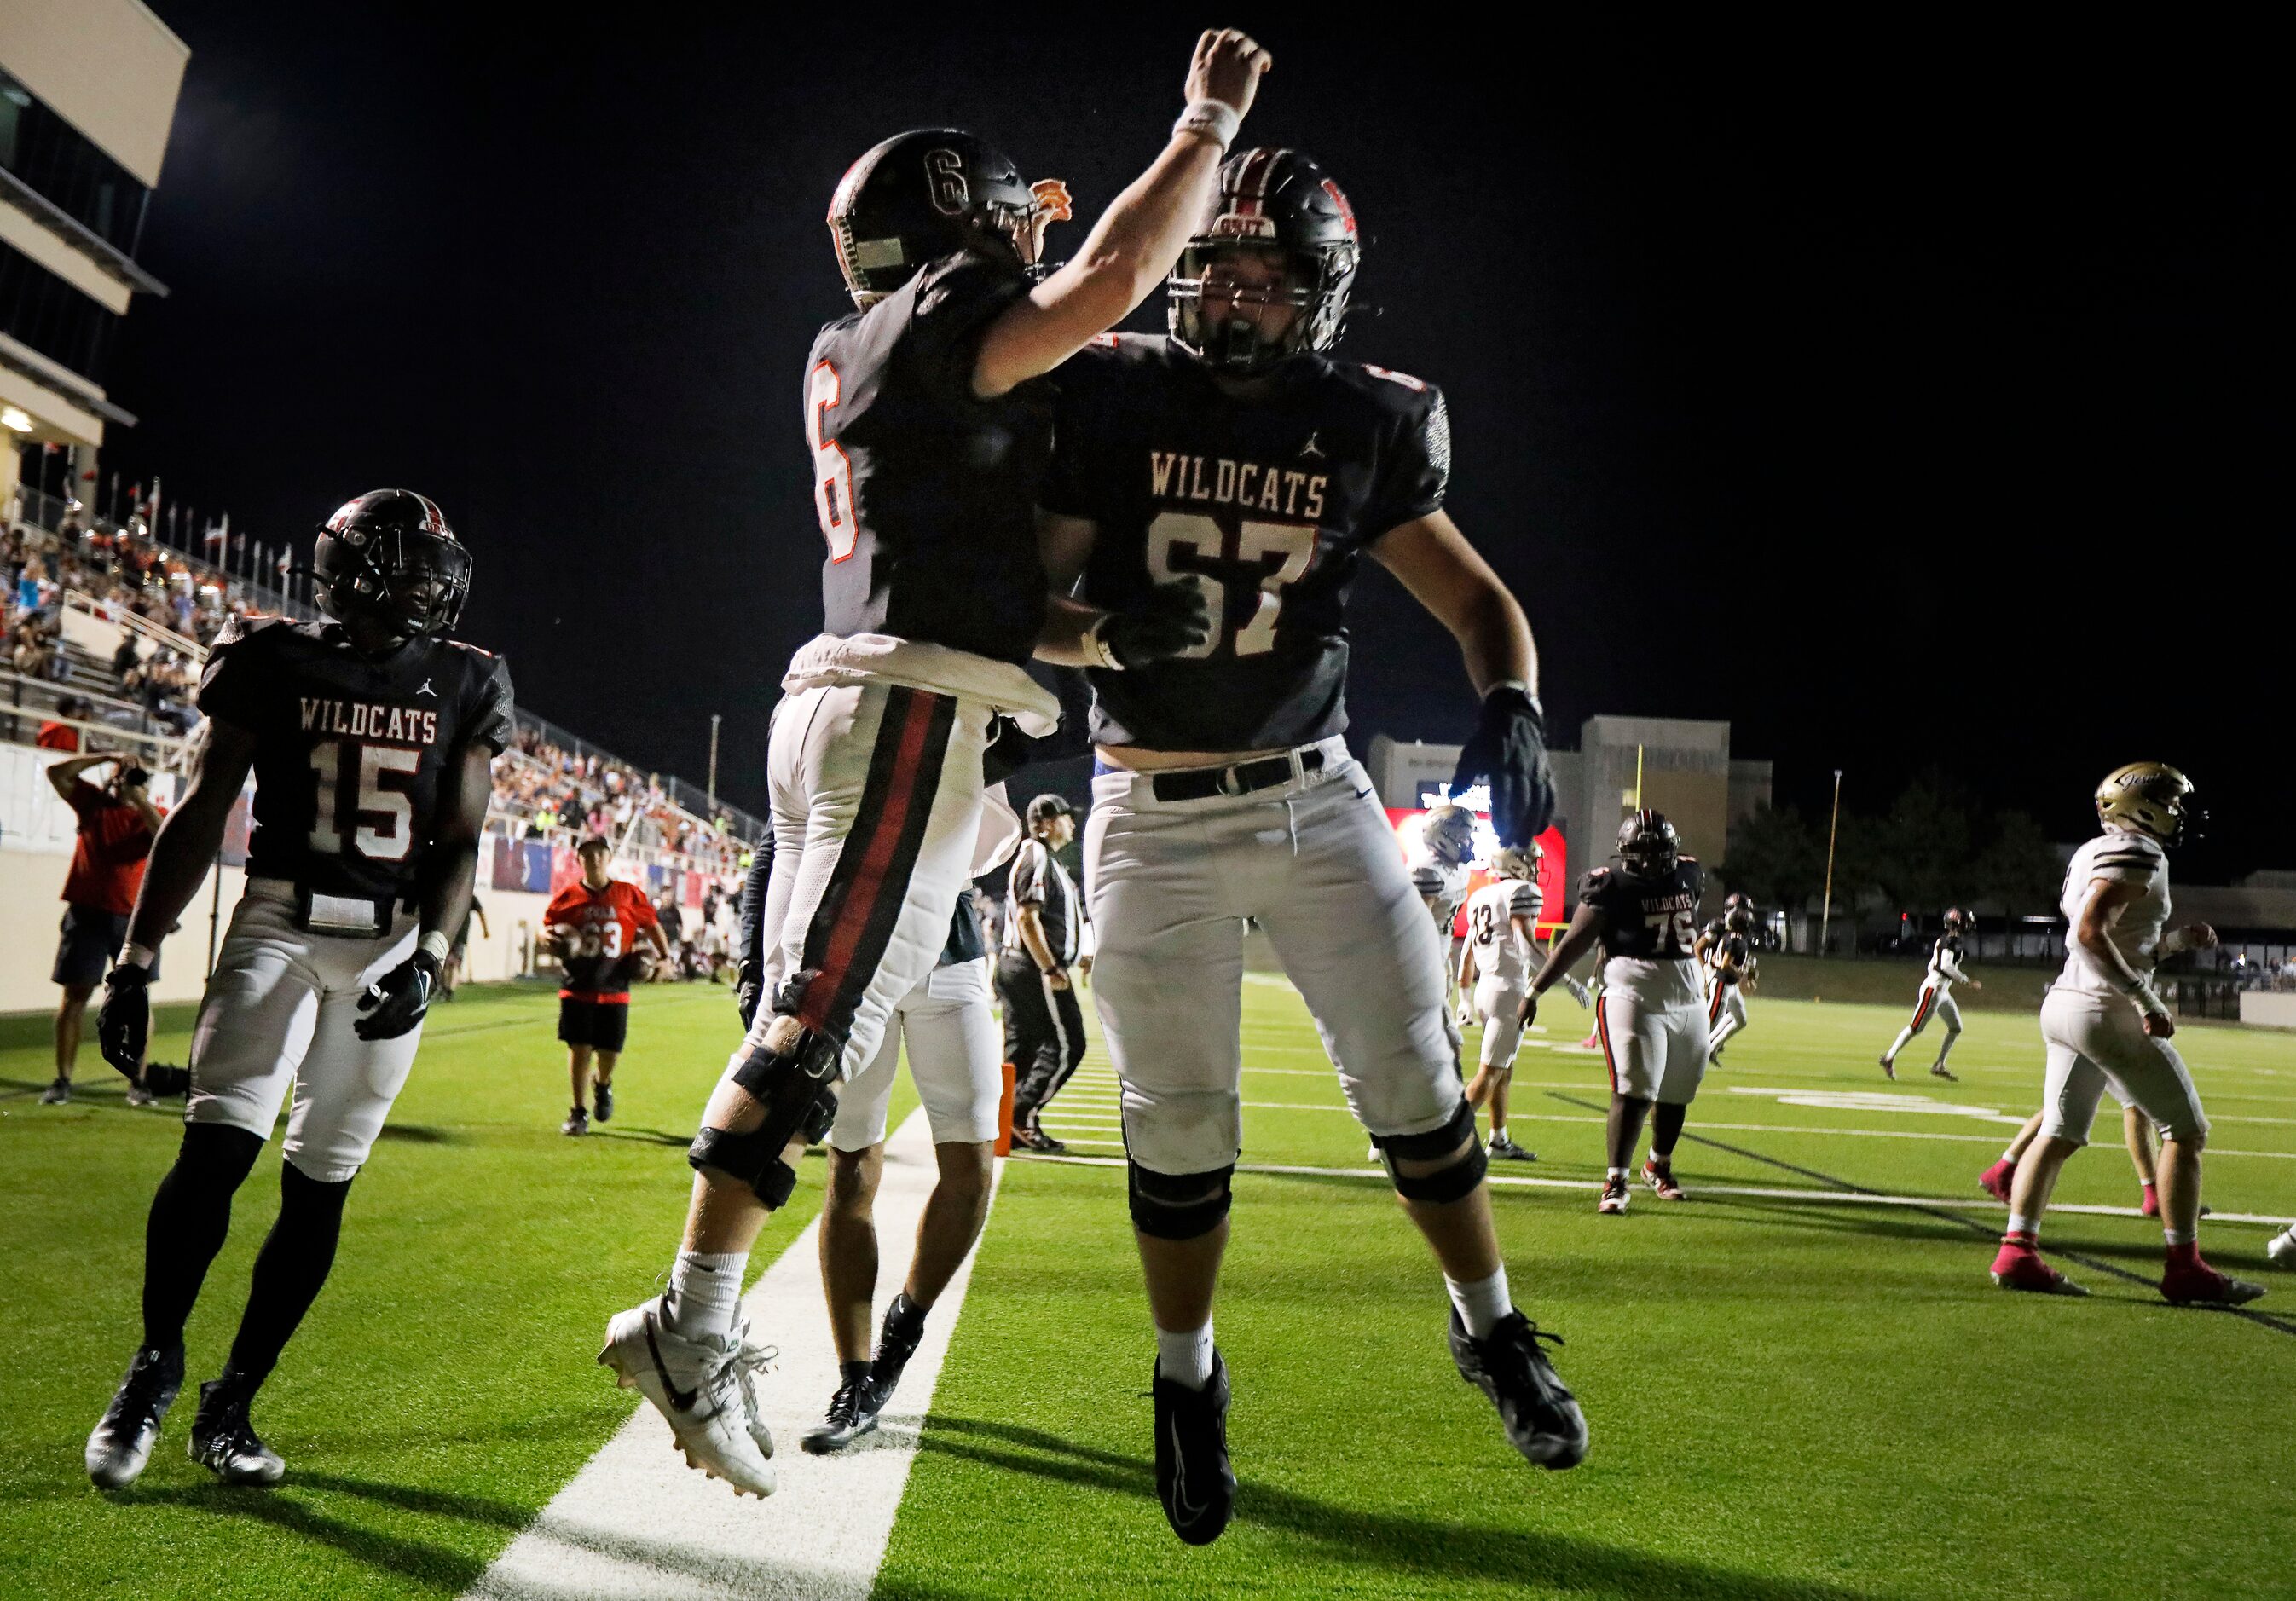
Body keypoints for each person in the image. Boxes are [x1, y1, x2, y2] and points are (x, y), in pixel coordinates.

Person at [599, 30, 1276, 1500]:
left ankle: (699, 1316)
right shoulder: (938, 320)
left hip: (857, 696)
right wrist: (1204, 124)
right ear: (956, 226)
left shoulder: (850, 342)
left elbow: (975, 570)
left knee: (807, 1024)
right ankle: (689, 1318)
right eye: (992, 217)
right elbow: (1104, 285)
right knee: (811, 1034)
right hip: (902, 717)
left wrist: (1094, 640)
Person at [1035, 145, 1585, 1547]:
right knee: (1174, 1120)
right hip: (1144, 809)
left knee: (1409, 1074)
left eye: (1266, 279)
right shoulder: (1108, 388)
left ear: (1320, 296)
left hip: (1313, 797)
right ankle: (1184, 1375)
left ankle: (1492, 1326)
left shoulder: (1365, 420)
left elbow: (1477, 600)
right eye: (1213, 268)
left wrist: (1513, 699)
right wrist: (1097, 635)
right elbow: (1013, 608)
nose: (1232, 299)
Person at [83, 488, 512, 1489]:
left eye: (433, 566)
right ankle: (153, 1367)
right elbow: (202, 810)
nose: (429, 583)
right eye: (409, 562)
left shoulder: (467, 678)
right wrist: (137, 959)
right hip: (278, 916)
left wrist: (435, 956)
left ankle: (231, 1405)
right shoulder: (270, 656)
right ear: (353, 564)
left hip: (391, 938)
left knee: (321, 1179)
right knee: (215, 1147)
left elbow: (459, 840)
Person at [1988, 763, 2261, 1305]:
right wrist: (2145, 998)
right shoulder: (2142, 852)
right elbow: (2090, 932)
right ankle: (2184, 1267)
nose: (2178, 812)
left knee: (2060, 1132)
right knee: (2185, 1130)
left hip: (2067, 1003)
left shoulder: (2089, 851)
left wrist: (2176, 943)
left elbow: (2117, 940)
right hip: (2104, 1008)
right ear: (2142, 805)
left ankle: (2017, 1250)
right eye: (2170, 801)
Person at [1524, 812, 1708, 1213]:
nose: (1653, 859)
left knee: (1678, 1093)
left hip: (1689, 992)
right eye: (1644, 851)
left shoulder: (1689, 874)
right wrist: (1535, 990)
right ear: (1625, 852)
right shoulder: (1610, 884)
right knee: (1634, 1089)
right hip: (1633, 992)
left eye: (1659, 849)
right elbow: (1574, 942)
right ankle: (1615, 1181)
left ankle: (1658, 1166)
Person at [42, 754, 163, 1105]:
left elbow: (164, 837)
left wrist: (139, 799)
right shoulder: (93, 803)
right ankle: (63, 1079)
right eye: (120, 775)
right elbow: (55, 772)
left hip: (135, 920)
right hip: (87, 915)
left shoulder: (151, 813)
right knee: (74, 997)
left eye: (134, 775)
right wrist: (108, 758)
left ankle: (137, 1082)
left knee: (136, 1001)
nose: (125, 779)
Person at [544, 839, 671, 1134]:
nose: (594, 859)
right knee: (579, 1048)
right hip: (578, 983)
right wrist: (547, 939)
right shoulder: (567, 896)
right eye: (587, 854)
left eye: (600, 853)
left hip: (615, 985)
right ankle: (578, 1111)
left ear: (609, 857)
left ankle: (602, 1083)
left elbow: (652, 925)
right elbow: (546, 928)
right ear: (579, 860)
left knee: (610, 1051)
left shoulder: (628, 894)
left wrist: (664, 958)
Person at [996, 794, 1087, 1153]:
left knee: (1024, 1049)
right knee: (1068, 1044)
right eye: (1067, 817)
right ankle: (1020, 1115)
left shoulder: (1044, 858)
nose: (1073, 824)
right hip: (1033, 967)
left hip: (1023, 965)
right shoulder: (1036, 854)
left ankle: (1003, 1125)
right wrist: (1050, 966)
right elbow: (1027, 916)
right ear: (1048, 822)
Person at [1455, 843, 1544, 1160]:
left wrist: (1464, 997)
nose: (1535, 867)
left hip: (1485, 990)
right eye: (1532, 861)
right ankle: (1446, 1139)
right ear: (1517, 863)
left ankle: (1499, 1139)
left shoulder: (1481, 895)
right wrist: (1564, 978)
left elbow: (1466, 953)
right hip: (1508, 991)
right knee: (1490, 1072)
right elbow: (1526, 947)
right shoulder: (1521, 891)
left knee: (1503, 1069)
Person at [1879, 906, 1980, 1081]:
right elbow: (1945, 966)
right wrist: (1966, 981)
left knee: (1956, 1027)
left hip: (1942, 991)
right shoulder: (1951, 941)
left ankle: (1939, 1065)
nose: (1969, 925)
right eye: (1966, 922)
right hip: (1933, 990)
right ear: (1960, 923)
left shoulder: (1949, 940)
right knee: (1915, 1028)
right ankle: (1888, 1058)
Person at [1703, 902, 1757, 1062]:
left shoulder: (1729, 937)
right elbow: (1724, 964)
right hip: (1722, 984)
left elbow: (1715, 958)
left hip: (1730, 985)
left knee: (1741, 1020)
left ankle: (1712, 1049)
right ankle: (1693, 1054)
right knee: (1710, 1022)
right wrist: (1740, 972)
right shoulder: (1736, 941)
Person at [441, 895, 489, 998]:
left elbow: (481, 912)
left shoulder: (470, 897)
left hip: (458, 935)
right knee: (447, 963)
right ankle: (446, 988)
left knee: (454, 963)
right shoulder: (459, 894)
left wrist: (485, 930)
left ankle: (449, 990)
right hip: (449, 934)